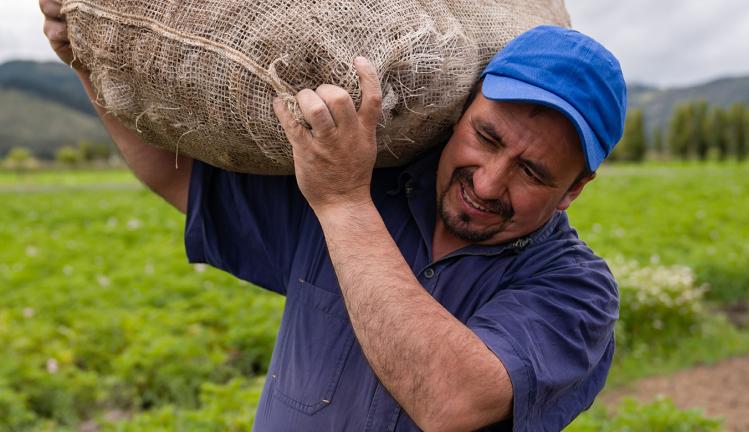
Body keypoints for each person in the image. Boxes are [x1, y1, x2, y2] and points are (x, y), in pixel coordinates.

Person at [42, 0, 627, 429]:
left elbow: (453, 400)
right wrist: (88, 62)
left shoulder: (576, 290)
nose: (488, 181)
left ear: (575, 188)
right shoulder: (374, 188)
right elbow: (179, 178)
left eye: (533, 172)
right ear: (460, 114)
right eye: (486, 138)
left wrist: (344, 204)